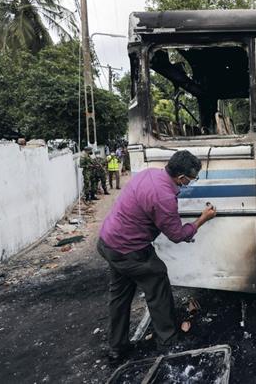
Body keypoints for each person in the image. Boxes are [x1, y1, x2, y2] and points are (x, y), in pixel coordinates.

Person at [97, 150, 217, 362]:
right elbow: (177, 235)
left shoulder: (149, 173)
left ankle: (117, 347)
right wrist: (202, 219)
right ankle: (168, 341)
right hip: (130, 249)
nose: (189, 183)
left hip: (108, 243)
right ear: (181, 177)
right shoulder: (164, 197)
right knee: (157, 280)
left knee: (120, 295)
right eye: (190, 180)